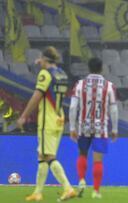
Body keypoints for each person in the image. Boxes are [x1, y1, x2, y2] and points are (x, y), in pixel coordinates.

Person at [16, 46, 76, 201]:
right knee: (42, 155)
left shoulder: (45, 74)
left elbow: (37, 96)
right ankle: (37, 192)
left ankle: (68, 188)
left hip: (47, 120)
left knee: (49, 156)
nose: (39, 61)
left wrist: (23, 116)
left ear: (45, 59)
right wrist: (42, 62)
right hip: (59, 118)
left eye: (41, 58)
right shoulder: (61, 74)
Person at [69, 57, 118, 198]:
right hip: (100, 127)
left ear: (88, 68)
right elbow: (113, 109)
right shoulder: (109, 86)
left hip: (83, 125)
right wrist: (114, 129)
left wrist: (72, 127)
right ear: (101, 68)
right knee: (97, 159)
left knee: (82, 153)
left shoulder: (80, 85)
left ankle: (81, 180)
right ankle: (96, 191)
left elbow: (73, 107)